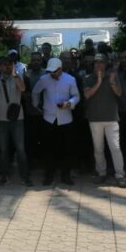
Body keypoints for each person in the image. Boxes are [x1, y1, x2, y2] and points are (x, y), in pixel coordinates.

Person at [31, 58, 80, 186]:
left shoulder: (70, 79)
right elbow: (35, 92)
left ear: (60, 69)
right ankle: (49, 175)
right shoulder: (44, 79)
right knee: (49, 149)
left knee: (67, 149)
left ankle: (66, 176)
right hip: (49, 118)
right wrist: (36, 105)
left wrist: (69, 103)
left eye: (55, 71)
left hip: (66, 118)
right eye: (51, 72)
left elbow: (77, 96)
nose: (52, 74)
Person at [83, 54, 126, 187]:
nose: (98, 64)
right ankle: (101, 173)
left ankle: (120, 175)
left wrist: (112, 82)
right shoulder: (88, 78)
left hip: (111, 118)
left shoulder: (113, 76)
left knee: (115, 147)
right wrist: (99, 81)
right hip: (95, 119)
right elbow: (87, 94)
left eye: (101, 62)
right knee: (98, 149)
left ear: (106, 64)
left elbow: (119, 93)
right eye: (96, 62)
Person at [0, 56, 31, 186]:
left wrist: (15, 76)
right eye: (4, 64)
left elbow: (23, 88)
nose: (7, 67)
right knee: (4, 150)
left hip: (17, 118)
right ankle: (4, 176)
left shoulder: (17, 77)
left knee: (20, 148)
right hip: (1, 119)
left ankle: (25, 176)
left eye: (9, 64)